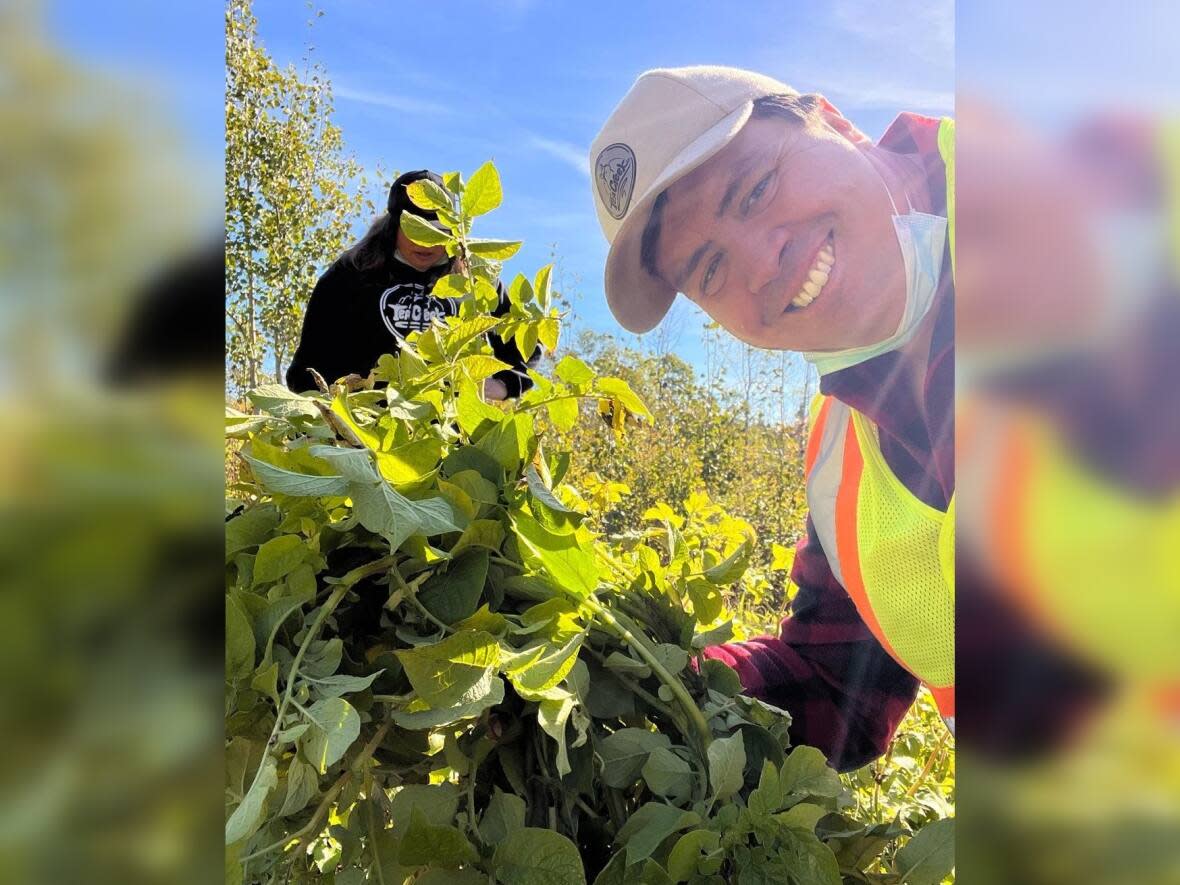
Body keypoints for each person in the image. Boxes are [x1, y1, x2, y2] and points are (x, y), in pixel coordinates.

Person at [589, 66, 954, 770]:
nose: (760, 265)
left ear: (836, 121)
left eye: (756, 189)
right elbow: (831, 688)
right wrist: (644, 677)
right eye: (709, 270)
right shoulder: (840, 464)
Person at [286, 169, 536, 398]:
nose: (426, 243)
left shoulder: (474, 280)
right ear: (393, 226)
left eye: (436, 231)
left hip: (449, 435)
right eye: (415, 229)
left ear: (452, 232)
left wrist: (503, 385)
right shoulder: (351, 275)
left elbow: (526, 345)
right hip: (366, 433)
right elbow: (309, 366)